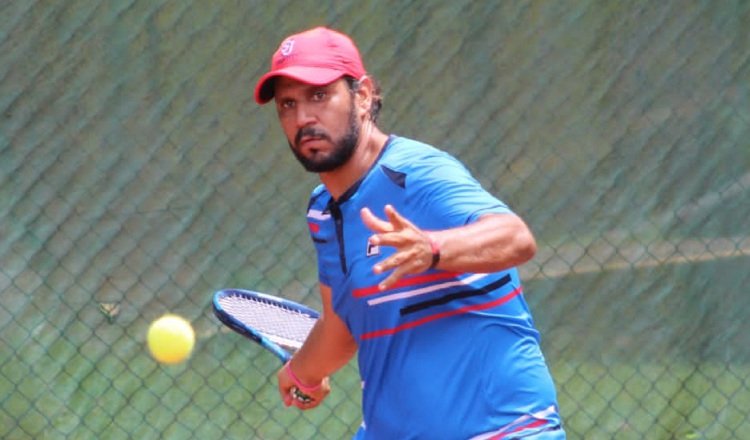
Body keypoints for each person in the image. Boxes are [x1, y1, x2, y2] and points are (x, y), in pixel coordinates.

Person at [254, 26, 565, 439]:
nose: (303, 118)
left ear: (362, 96)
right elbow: (341, 325)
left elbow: (515, 237)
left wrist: (433, 247)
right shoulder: (323, 213)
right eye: (287, 105)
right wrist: (303, 373)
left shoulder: (414, 172)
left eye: (319, 96)